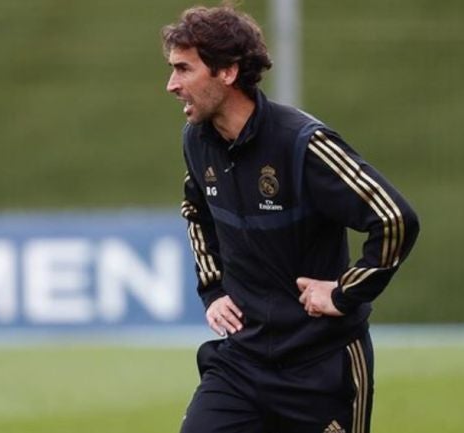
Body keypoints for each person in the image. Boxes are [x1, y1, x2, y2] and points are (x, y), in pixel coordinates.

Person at [162, 5, 419, 433]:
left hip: (321, 366)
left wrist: (343, 293)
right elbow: (195, 211)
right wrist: (213, 288)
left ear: (226, 71)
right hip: (241, 363)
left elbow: (394, 217)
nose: (171, 85)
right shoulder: (197, 140)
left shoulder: (303, 143)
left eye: (183, 69)